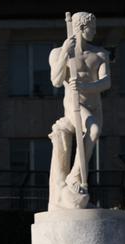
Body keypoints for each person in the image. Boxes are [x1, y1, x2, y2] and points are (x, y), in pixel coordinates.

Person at [48, 11, 110, 210]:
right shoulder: (58, 52)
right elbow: (56, 81)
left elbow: (106, 82)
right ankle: (74, 177)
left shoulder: (100, 54)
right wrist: (65, 52)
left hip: (94, 104)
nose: (95, 31)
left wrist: (85, 87)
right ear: (81, 28)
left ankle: (79, 180)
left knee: (93, 133)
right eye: (92, 27)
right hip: (74, 105)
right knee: (93, 130)